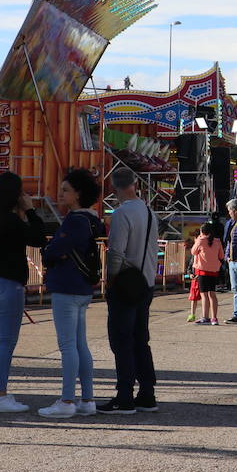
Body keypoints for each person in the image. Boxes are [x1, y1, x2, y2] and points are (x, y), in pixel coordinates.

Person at [0, 172, 45, 412]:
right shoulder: (10, 220)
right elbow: (38, 237)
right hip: (9, 284)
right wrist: (30, 211)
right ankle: (0, 396)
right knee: (6, 342)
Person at [39, 168, 102, 419]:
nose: (60, 194)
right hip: (82, 287)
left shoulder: (75, 221)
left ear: (78, 194)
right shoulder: (91, 220)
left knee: (67, 346)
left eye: (66, 190)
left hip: (66, 286)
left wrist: (50, 250)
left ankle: (67, 400)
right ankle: (87, 399)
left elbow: (53, 251)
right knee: (79, 344)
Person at [97, 167, 160, 415]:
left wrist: (109, 281)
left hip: (125, 285)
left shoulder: (122, 213)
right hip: (146, 283)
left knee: (121, 340)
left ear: (114, 187)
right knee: (140, 340)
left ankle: (124, 396)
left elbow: (116, 253)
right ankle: (147, 393)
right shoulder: (148, 211)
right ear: (136, 184)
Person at [191, 221, 225, 325]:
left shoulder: (200, 240)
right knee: (212, 294)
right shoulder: (218, 241)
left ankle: (205, 317)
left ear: (202, 231)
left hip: (202, 271)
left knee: (204, 295)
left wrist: (198, 240)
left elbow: (193, 252)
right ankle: (214, 318)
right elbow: (221, 256)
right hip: (214, 271)